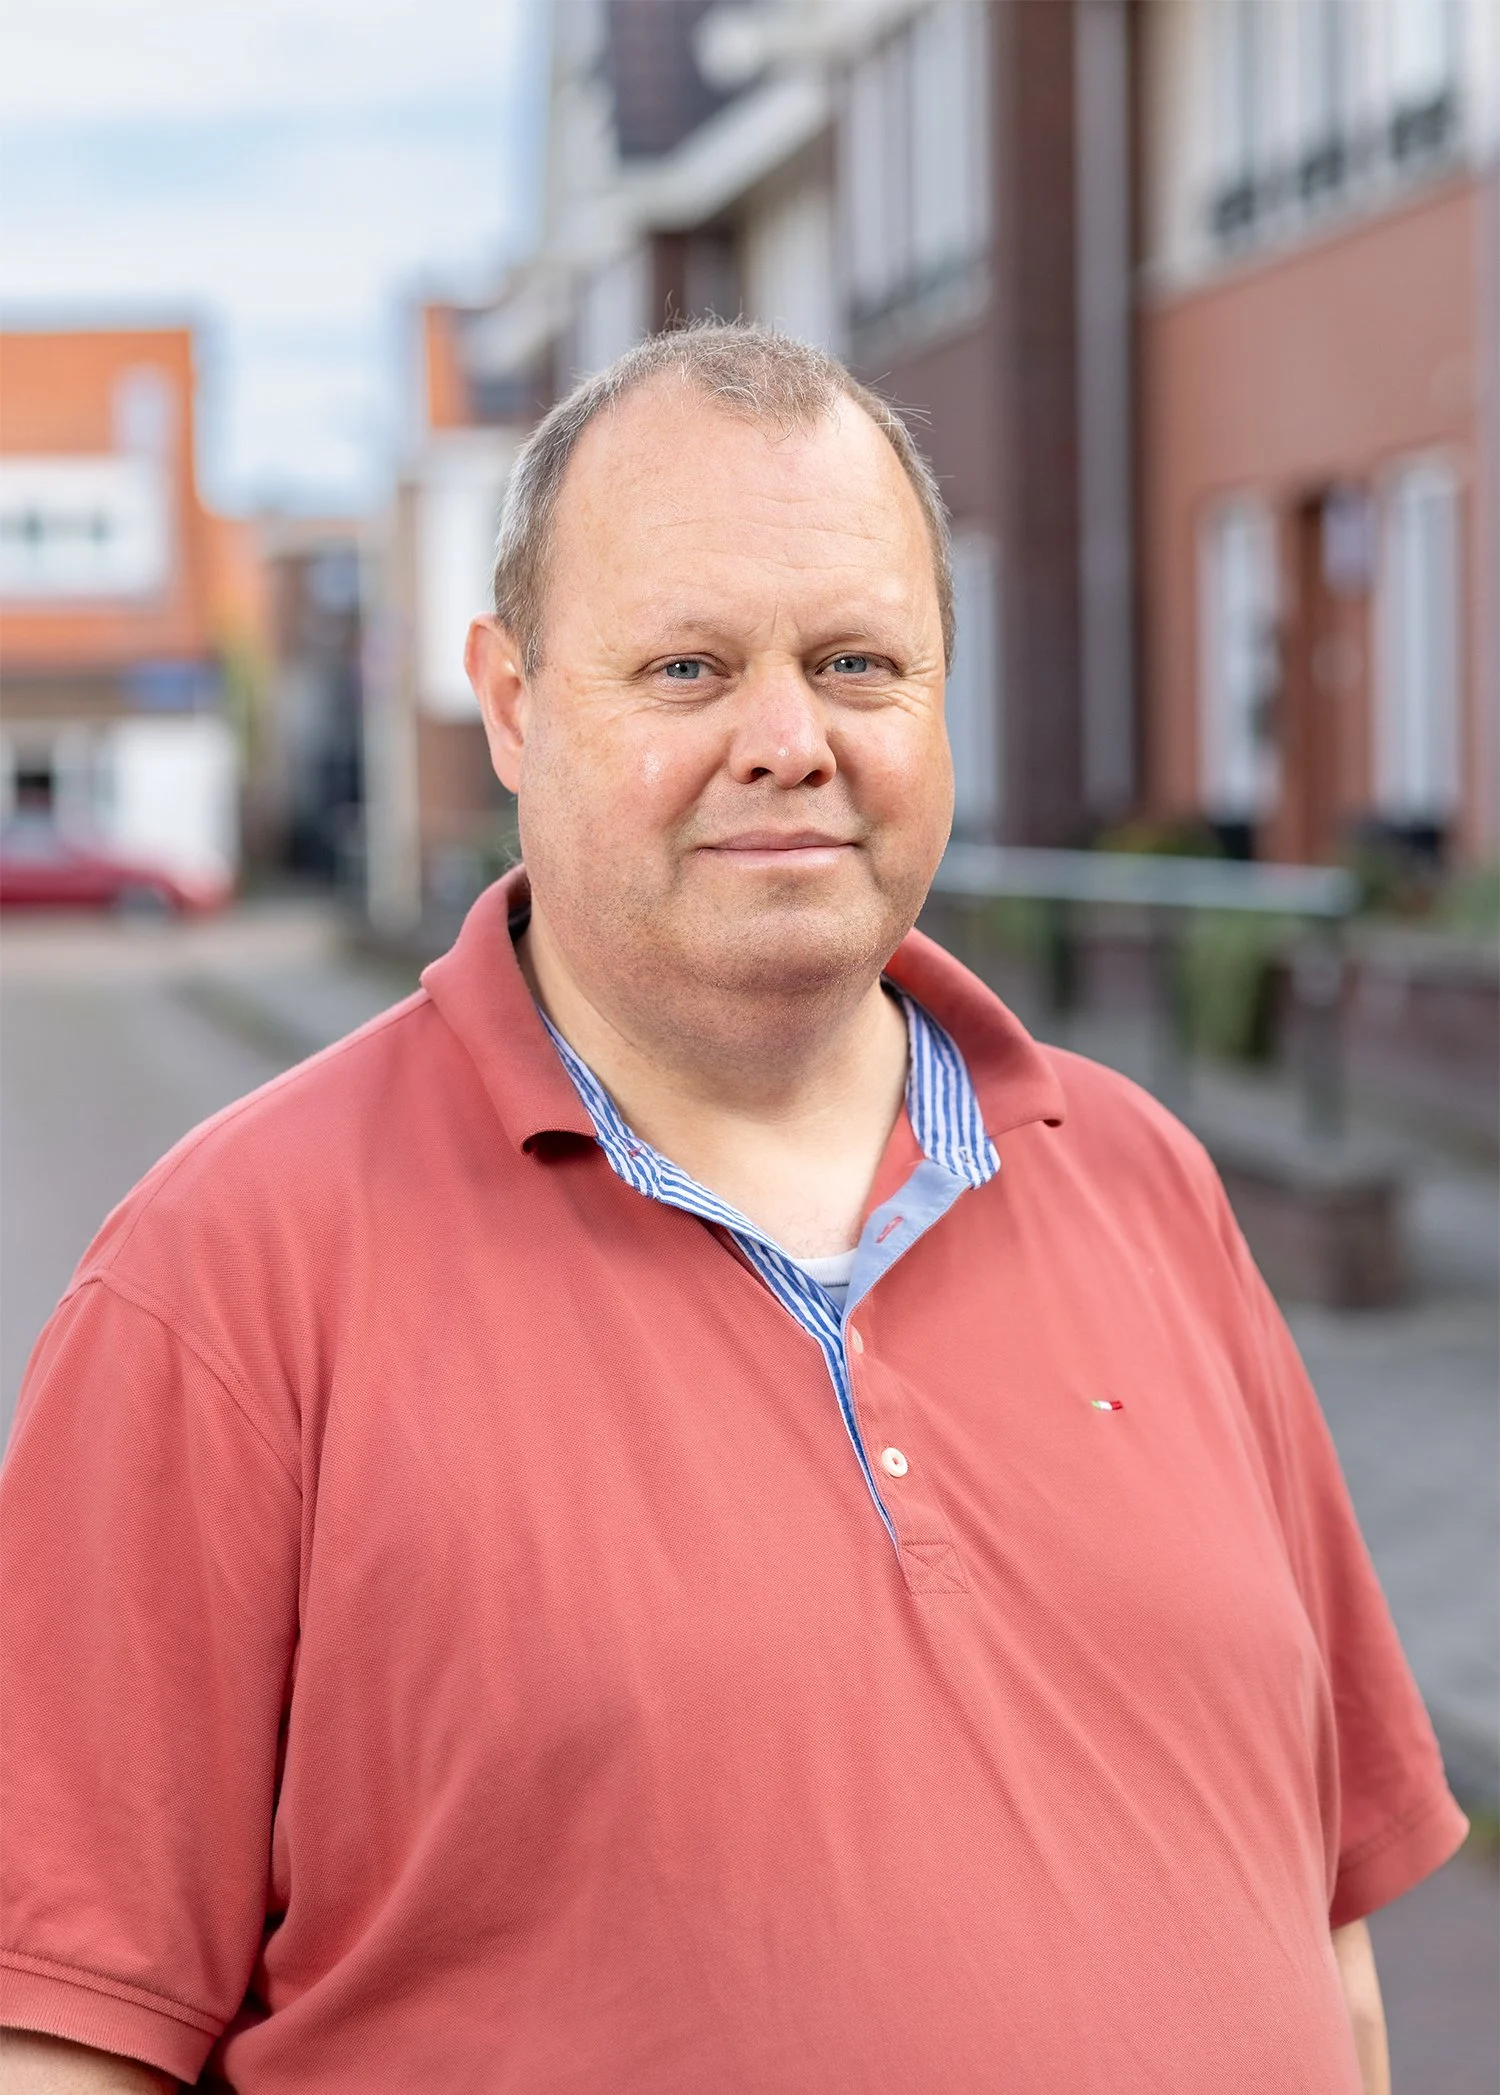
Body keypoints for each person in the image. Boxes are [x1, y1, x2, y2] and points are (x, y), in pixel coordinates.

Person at [1, 323, 1465, 2094]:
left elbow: (1325, 1935)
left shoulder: (1142, 1181)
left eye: (857, 660)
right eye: (690, 668)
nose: (789, 741)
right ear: (517, 702)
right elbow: (67, 2040)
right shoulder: (226, 1278)